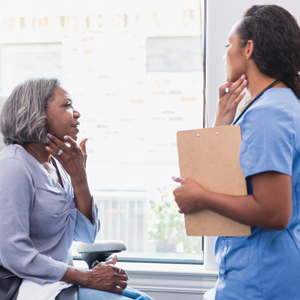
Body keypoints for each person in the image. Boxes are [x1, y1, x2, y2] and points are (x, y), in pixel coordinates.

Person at [173, 5, 300, 300]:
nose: (224, 53)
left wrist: (199, 197)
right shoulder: (279, 104)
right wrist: (221, 124)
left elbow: (274, 212)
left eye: (229, 44)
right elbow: (228, 181)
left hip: (261, 277)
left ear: (248, 49)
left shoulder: (268, 115)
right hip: (264, 271)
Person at [0, 78, 153, 300]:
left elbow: (86, 235)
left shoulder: (58, 166)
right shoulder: (14, 166)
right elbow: (15, 255)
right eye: (67, 105)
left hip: (57, 280)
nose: (77, 113)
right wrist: (86, 277)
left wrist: (80, 178)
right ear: (37, 113)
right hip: (25, 285)